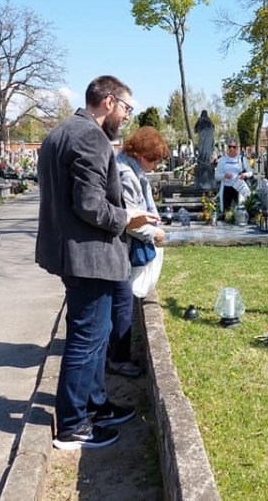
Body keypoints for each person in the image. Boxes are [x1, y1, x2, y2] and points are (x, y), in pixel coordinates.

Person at [36, 75, 159, 450]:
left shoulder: (59, 132)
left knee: (96, 334)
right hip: (88, 255)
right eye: (127, 108)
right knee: (86, 340)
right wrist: (128, 217)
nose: (127, 115)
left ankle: (94, 405)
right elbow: (89, 205)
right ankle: (73, 425)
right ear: (109, 101)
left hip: (73, 251)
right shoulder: (90, 136)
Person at [110, 126, 170, 378]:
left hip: (119, 246)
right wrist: (153, 233)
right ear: (142, 155)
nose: (155, 166)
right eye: (154, 160)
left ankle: (114, 354)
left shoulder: (130, 168)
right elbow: (131, 219)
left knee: (120, 301)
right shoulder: (127, 175)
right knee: (122, 302)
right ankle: (117, 359)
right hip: (119, 247)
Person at [215, 136, 254, 212]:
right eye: (230, 146)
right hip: (226, 188)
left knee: (240, 210)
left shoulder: (242, 159)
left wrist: (245, 175)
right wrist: (224, 176)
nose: (231, 149)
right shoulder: (222, 160)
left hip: (239, 187)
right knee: (226, 211)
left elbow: (251, 172)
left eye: (234, 147)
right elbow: (216, 176)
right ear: (227, 147)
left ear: (237, 148)